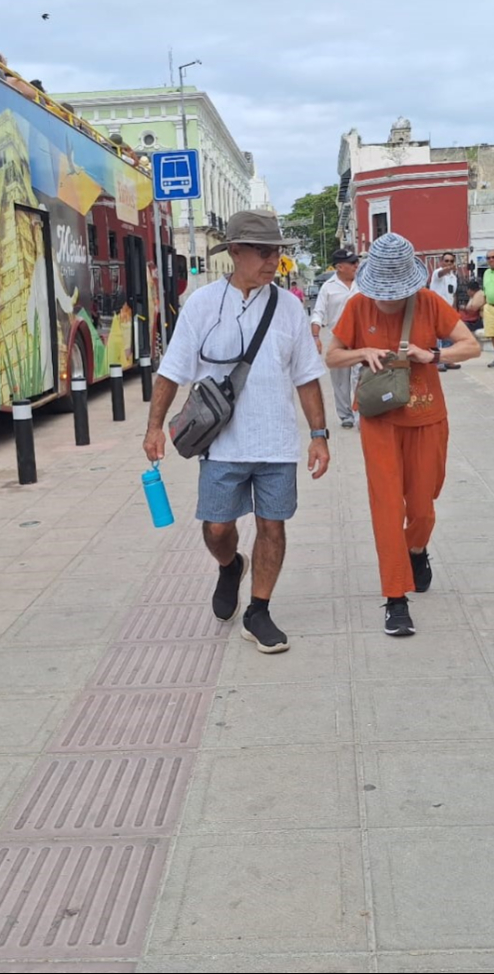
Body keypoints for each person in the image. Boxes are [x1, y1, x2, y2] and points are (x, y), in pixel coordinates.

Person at [144, 210, 329, 655]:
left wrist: (319, 433)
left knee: (273, 525)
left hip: (277, 442)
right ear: (235, 252)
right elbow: (172, 371)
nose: (272, 262)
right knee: (217, 528)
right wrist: (154, 427)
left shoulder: (288, 307)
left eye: (277, 254)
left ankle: (259, 610)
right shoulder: (203, 305)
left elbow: (306, 375)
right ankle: (230, 566)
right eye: (263, 252)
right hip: (221, 444)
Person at [326, 232, 481, 636]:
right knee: (387, 508)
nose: (388, 298)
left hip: (427, 417)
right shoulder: (358, 305)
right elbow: (332, 354)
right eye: (383, 291)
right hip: (380, 420)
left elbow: (471, 346)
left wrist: (433, 355)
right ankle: (396, 598)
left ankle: (416, 548)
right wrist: (364, 352)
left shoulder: (429, 303)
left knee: (424, 504)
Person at [310, 248, 361, 429]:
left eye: (356, 262)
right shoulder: (328, 287)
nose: (356, 265)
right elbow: (318, 313)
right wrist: (316, 336)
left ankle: (359, 414)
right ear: (340, 267)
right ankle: (345, 414)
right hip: (337, 340)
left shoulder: (362, 283)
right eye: (352, 263)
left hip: (361, 339)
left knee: (360, 377)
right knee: (340, 381)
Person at [428, 252, 462, 371]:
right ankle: (437, 362)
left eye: (451, 261)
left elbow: (453, 294)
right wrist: (447, 269)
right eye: (446, 261)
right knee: (437, 338)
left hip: (447, 310)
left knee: (448, 337)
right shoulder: (437, 273)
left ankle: (448, 360)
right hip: (435, 309)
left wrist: (454, 310)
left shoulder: (453, 277)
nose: (448, 263)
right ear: (441, 262)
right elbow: (442, 272)